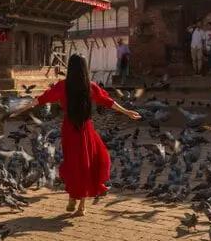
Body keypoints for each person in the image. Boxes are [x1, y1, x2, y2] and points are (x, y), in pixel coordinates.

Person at [11, 54, 141, 216]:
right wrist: (127, 111)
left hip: (70, 129)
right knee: (87, 163)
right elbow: (107, 101)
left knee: (73, 164)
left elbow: (41, 99)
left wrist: (20, 110)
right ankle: (81, 206)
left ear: (70, 69)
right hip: (86, 129)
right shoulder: (90, 86)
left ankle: (73, 196)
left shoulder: (63, 86)